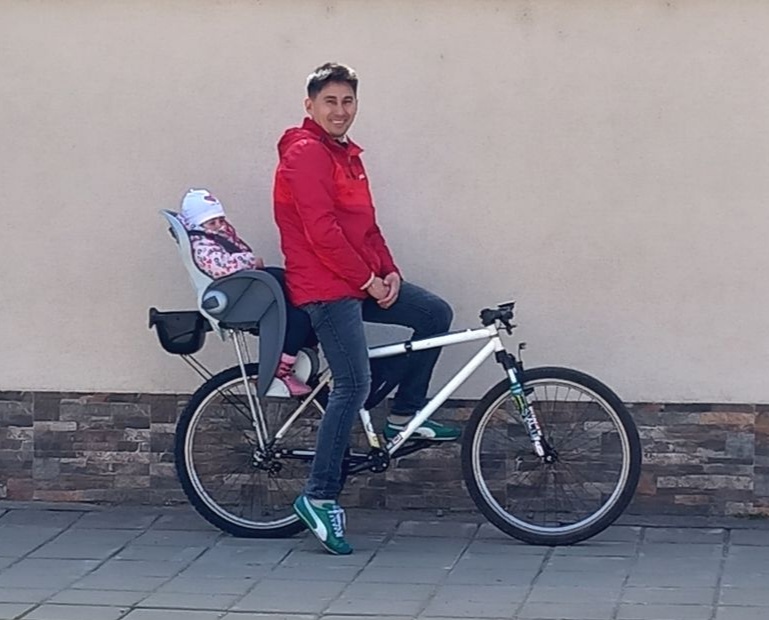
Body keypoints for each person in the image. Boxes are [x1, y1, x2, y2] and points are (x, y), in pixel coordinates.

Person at [273, 63, 459, 555]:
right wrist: (367, 281)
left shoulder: (347, 155)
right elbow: (322, 232)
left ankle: (405, 413)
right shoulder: (306, 153)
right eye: (330, 101)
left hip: (357, 280)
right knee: (353, 385)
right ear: (310, 105)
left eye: (348, 101)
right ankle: (318, 496)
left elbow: (365, 227)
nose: (340, 110)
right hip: (324, 286)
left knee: (434, 315)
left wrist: (389, 271)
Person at [180, 188, 313, 396]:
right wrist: (249, 261)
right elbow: (222, 266)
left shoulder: (212, 237)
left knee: (290, 283)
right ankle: (281, 370)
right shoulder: (203, 246)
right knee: (298, 319)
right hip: (241, 295)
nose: (219, 226)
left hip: (248, 288)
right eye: (212, 222)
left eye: (221, 220)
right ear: (197, 224)